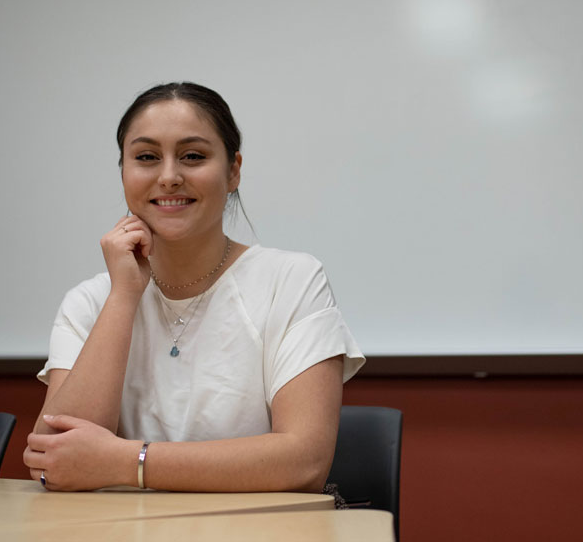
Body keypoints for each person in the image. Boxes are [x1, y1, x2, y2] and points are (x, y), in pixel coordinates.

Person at [24, 82, 364, 492]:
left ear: (233, 170)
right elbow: (55, 459)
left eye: (193, 156)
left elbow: (304, 461)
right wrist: (123, 297)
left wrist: (125, 461)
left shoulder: (292, 280)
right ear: (124, 172)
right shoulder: (89, 301)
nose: (169, 177)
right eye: (147, 157)